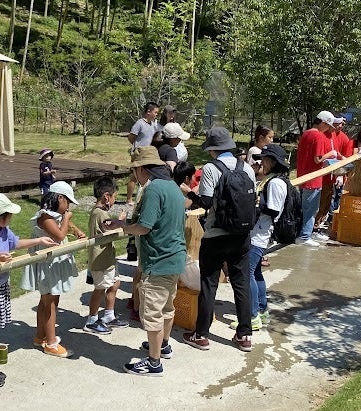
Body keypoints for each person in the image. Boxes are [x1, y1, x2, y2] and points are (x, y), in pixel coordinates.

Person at [104, 147, 185, 376]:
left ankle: (153, 362)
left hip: (158, 260)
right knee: (167, 307)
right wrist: (124, 223)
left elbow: (144, 226)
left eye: (134, 170)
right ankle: (163, 345)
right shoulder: (172, 187)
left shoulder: (153, 189)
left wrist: (123, 227)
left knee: (152, 314)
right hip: (175, 257)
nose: (134, 175)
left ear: (142, 168)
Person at [181, 127, 257, 352]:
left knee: (209, 283)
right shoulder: (247, 168)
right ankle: (244, 335)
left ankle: (201, 335)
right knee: (241, 283)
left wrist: (189, 193)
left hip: (216, 235)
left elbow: (205, 202)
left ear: (212, 149)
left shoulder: (211, 169)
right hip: (242, 235)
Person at [0, 193, 56, 388]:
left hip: (1, 284)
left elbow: (15, 243)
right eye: (8, 214)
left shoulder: (4, 231)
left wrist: (39, 241)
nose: (11, 217)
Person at [20, 181, 85, 358]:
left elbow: (63, 227)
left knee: (48, 300)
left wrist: (75, 229)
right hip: (47, 264)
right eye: (67, 202)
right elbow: (60, 235)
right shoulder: (44, 217)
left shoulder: (54, 216)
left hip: (53, 262)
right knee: (50, 301)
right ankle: (51, 343)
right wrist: (67, 218)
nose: (68, 207)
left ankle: (40, 335)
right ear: (59, 198)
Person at [232, 144, 290, 332]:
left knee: (245, 274)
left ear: (273, 162)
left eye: (264, 159)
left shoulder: (275, 183)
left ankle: (252, 316)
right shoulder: (272, 180)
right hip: (260, 233)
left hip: (259, 235)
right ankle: (262, 310)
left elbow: (274, 210)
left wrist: (253, 204)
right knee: (255, 273)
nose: (260, 162)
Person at [85, 178, 128, 334]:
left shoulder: (101, 212)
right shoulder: (100, 213)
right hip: (101, 259)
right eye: (114, 196)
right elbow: (110, 228)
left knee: (114, 284)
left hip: (108, 257)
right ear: (106, 196)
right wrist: (121, 221)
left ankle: (109, 316)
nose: (115, 200)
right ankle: (91, 320)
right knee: (100, 288)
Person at [295, 111, 340, 246]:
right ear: (323, 123)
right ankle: (304, 236)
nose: (328, 129)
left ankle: (305, 233)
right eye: (328, 126)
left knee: (304, 208)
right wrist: (331, 154)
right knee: (310, 210)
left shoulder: (306, 133)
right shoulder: (318, 136)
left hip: (303, 177)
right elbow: (318, 159)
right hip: (313, 179)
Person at [317, 115, 354, 230]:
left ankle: (320, 223)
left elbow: (338, 154)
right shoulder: (322, 135)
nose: (340, 126)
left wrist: (340, 174)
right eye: (337, 124)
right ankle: (314, 226)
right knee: (320, 202)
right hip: (322, 176)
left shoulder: (340, 137)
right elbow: (319, 157)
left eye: (342, 124)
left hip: (332, 176)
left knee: (327, 201)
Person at [125, 102, 160, 204]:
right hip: (139, 154)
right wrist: (137, 148)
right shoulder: (139, 123)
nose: (156, 114)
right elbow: (131, 137)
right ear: (148, 112)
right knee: (135, 177)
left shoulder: (153, 125)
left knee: (146, 176)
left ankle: (142, 199)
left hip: (149, 154)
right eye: (155, 112)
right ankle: (129, 199)